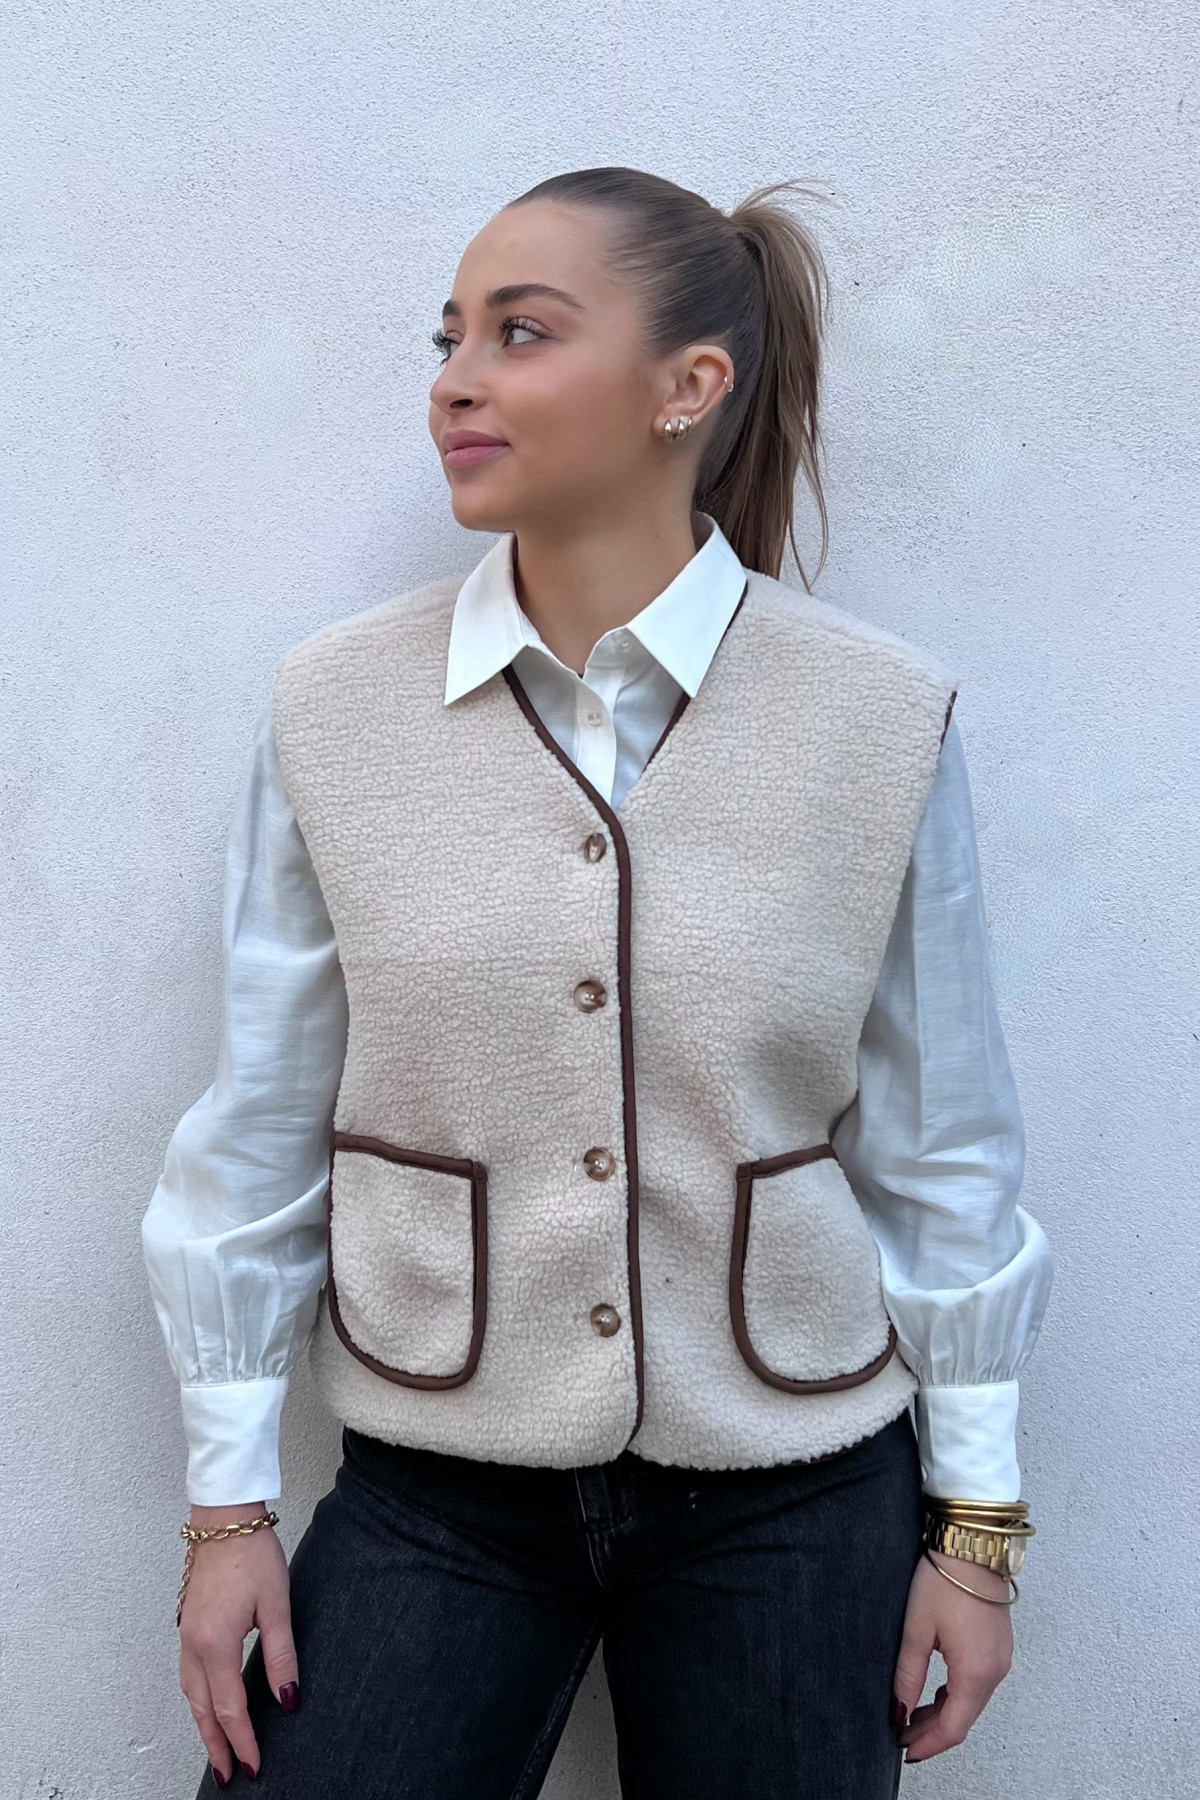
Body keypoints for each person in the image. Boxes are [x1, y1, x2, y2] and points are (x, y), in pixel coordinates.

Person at [141, 166, 1055, 1800]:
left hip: (795, 1486)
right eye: (447, 338)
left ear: (685, 386)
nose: (455, 380)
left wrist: (975, 1530)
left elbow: (943, 1145)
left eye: (520, 332)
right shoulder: (334, 708)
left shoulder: (875, 719)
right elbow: (261, 1126)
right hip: (438, 1476)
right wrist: (229, 1509)